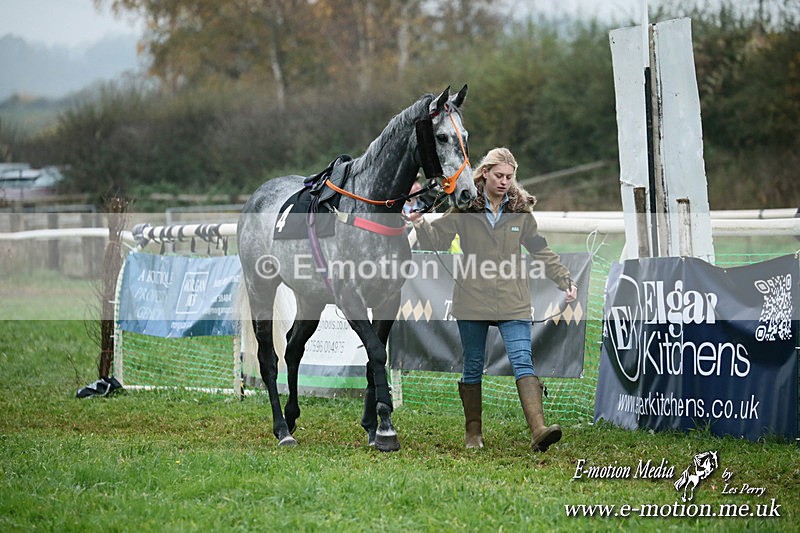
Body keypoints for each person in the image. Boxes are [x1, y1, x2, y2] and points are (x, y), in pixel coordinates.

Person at [408, 147, 577, 453]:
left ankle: (538, 429)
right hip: (471, 300)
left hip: (513, 300)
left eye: (510, 177)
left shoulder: (521, 212)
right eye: (499, 175)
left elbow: (539, 249)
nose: (504, 182)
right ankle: (473, 434)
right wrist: (421, 224)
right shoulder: (463, 208)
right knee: (473, 366)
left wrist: (564, 278)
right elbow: (438, 241)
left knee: (522, 360)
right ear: (484, 173)